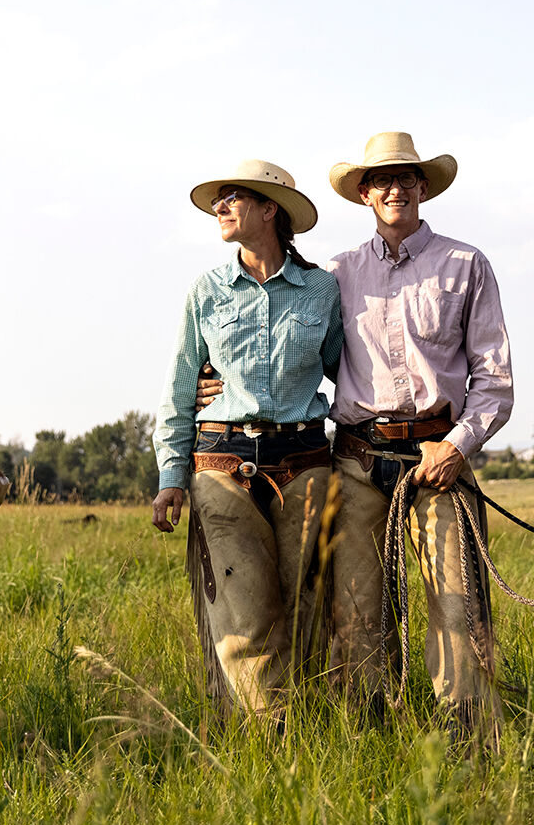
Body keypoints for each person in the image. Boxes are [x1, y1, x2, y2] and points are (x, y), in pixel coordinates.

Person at [323, 132, 514, 740]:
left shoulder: (466, 265)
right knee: (355, 608)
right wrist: (214, 383)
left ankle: (467, 740)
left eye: (406, 176)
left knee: (456, 605)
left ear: (424, 187)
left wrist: (457, 446)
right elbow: (297, 358)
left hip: (440, 459)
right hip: (357, 459)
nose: (395, 187)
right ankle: (366, 737)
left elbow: (495, 378)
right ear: (363, 194)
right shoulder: (335, 275)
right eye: (381, 179)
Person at [152, 159, 343, 721]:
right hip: (222, 462)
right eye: (220, 199)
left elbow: (346, 370)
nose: (221, 207)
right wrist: (169, 478)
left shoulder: (322, 289)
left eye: (234, 197)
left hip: (306, 460)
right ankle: (271, 739)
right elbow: (180, 385)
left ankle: (314, 733)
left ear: (270, 210)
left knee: (308, 609)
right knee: (244, 615)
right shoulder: (206, 291)